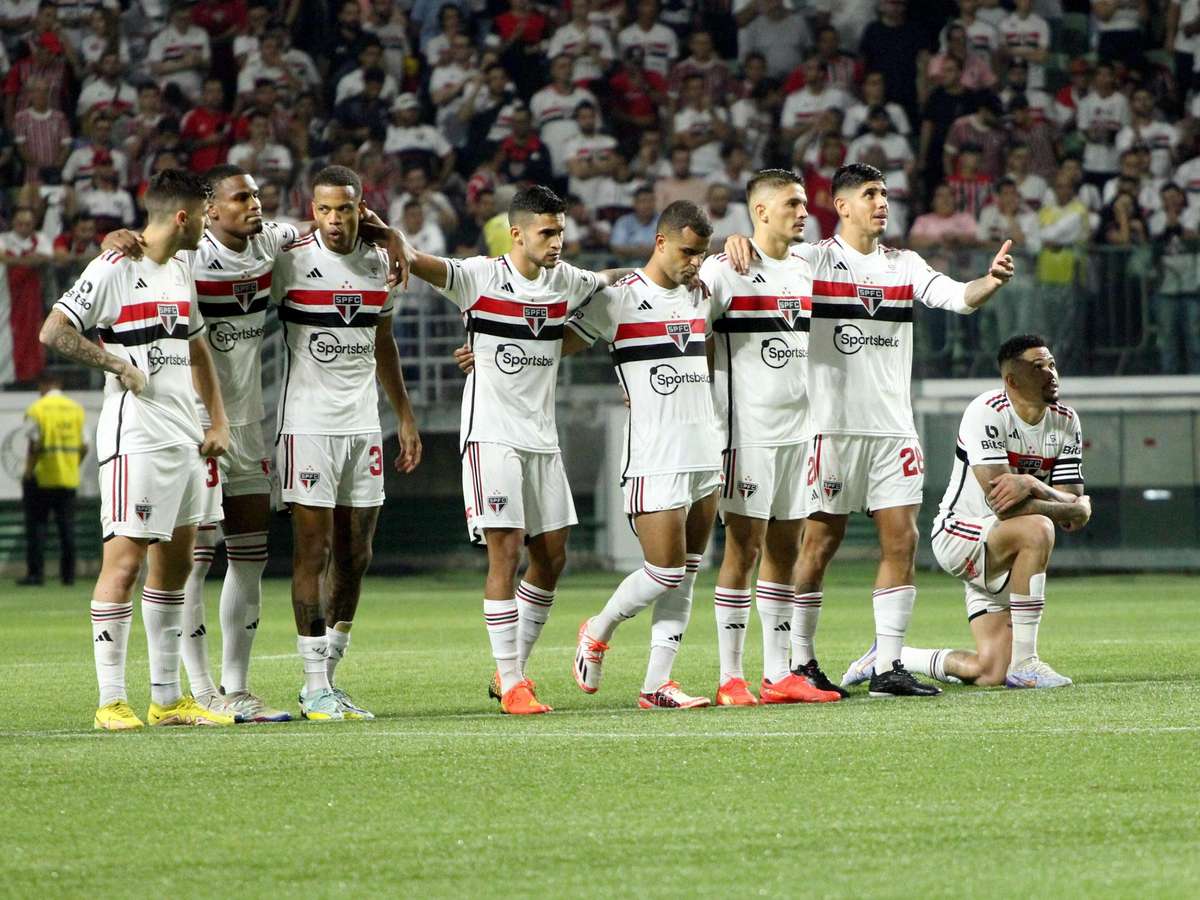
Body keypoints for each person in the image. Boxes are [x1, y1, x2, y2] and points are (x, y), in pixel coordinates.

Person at [724, 162, 1015, 698]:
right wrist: (738, 239)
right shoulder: (812, 260)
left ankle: (888, 666)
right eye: (870, 194)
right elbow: (763, 256)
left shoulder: (905, 264)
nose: (882, 203)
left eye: (884, 194)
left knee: (902, 539)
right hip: (828, 429)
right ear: (842, 206)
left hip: (892, 430)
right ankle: (800, 661)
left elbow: (957, 297)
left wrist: (990, 282)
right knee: (819, 543)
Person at [400, 186, 629, 715]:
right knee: (505, 551)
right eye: (547, 232)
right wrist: (390, 239)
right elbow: (420, 261)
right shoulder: (479, 276)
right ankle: (511, 682)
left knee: (552, 556)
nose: (557, 242)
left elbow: (607, 281)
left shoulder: (565, 280)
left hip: (542, 437)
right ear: (517, 233)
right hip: (492, 433)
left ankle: (512, 672)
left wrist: (655, 274)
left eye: (561, 232)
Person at [39, 169, 235, 730]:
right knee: (124, 564)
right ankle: (111, 701)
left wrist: (217, 419)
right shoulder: (114, 266)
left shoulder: (180, 269)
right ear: (183, 217)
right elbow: (53, 331)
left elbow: (197, 349)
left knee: (174, 570)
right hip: (137, 439)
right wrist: (115, 364)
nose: (208, 225)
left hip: (185, 438)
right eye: (204, 215)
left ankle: (167, 701)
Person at [845, 335, 1090, 689]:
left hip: (1004, 549)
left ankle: (887, 657)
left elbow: (1073, 508)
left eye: (1052, 364)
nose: (1051, 373)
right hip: (960, 534)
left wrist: (1036, 487)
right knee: (1038, 528)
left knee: (990, 672)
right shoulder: (987, 412)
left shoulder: (1066, 420)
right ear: (1012, 380)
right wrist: (1068, 505)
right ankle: (1027, 663)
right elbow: (1005, 506)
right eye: (1038, 367)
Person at [273, 165, 422, 721]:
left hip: (363, 427)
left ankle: (329, 678)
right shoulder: (290, 261)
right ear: (312, 210)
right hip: (308, 426)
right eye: (324, 209)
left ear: (361, 209)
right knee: (312, 553)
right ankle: (313, 686)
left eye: (343, 209)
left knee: (356, 555)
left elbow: (383, 342)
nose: (333, 220)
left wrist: (404, 415)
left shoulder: (380, 263)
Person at [569, 201, 719, 710]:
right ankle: (598, 629)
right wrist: (488, 355)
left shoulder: (700, 296)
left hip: (704, 453)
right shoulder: (620, 298)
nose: (695, 263)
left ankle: (657, 684)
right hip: (655, 456)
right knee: (665, 571)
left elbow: (705, 354)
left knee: (688, 572)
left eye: (702, 254)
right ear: (660, 242)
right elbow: (555, 344)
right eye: (687, 252)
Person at [700, 170, 842, 707]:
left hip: (797, 432)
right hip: (746, 433)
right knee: (745, 548)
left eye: (804, 203)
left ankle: (778, 673)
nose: (804, 212)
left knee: (786, 548)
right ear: (760, 211)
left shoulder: (806, 267)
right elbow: (684, 322)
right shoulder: (725, 270)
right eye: (792, 204)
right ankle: (730, 677)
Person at [20, 369, 86, 587]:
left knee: (38, 528)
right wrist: (73, 464)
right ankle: (68, 576)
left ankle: (36, 575)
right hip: (68, 478)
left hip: (41, 477)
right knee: (67, 528)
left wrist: (28, 471)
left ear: (43, 384)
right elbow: (85, 445)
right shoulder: (76, 409)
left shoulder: (37, 409)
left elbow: (34, 444)